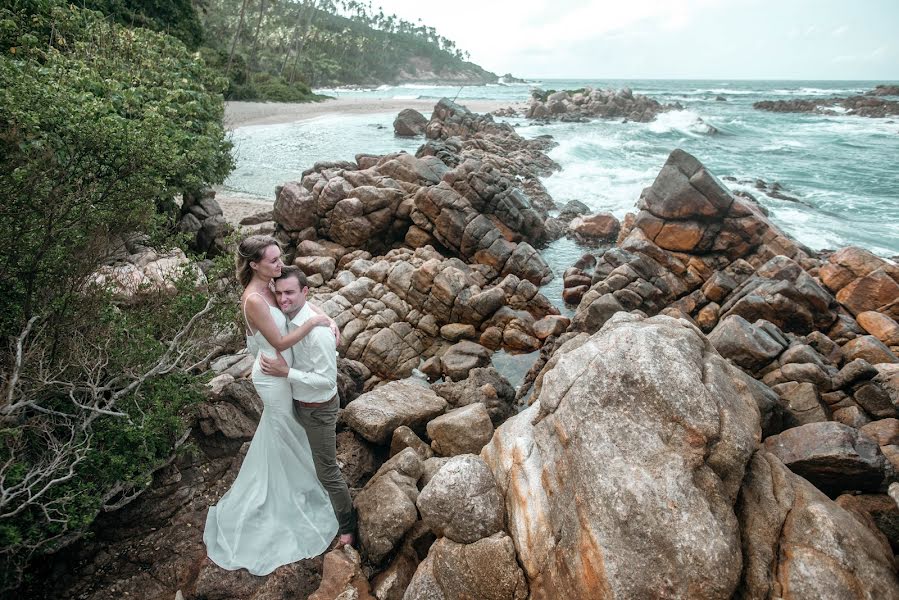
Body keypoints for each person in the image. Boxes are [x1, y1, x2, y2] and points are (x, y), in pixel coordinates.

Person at [203, 235, 338, 576]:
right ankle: (283, 501)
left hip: (286, 372)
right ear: (254, 265)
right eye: (274, 260)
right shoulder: (253, 301)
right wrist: (313, 324)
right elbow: (278, 341)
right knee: (286, 431)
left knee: (286, 432)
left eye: (280, 258)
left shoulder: (274, 284)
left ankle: (300, 486)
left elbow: (299, 301)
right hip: (273, 375)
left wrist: (328, 319)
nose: (281, 264)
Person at [260, 266, 356, 547]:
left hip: (319, 409)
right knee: (305, 457)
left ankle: (348, 528)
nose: (282, 299)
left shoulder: (319, 333)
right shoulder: (288, 316)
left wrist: (285, 373)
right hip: (298, 403)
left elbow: (326, 382)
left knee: (327, 470)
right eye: (278, 293)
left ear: (305, 292)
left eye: (289, 292)